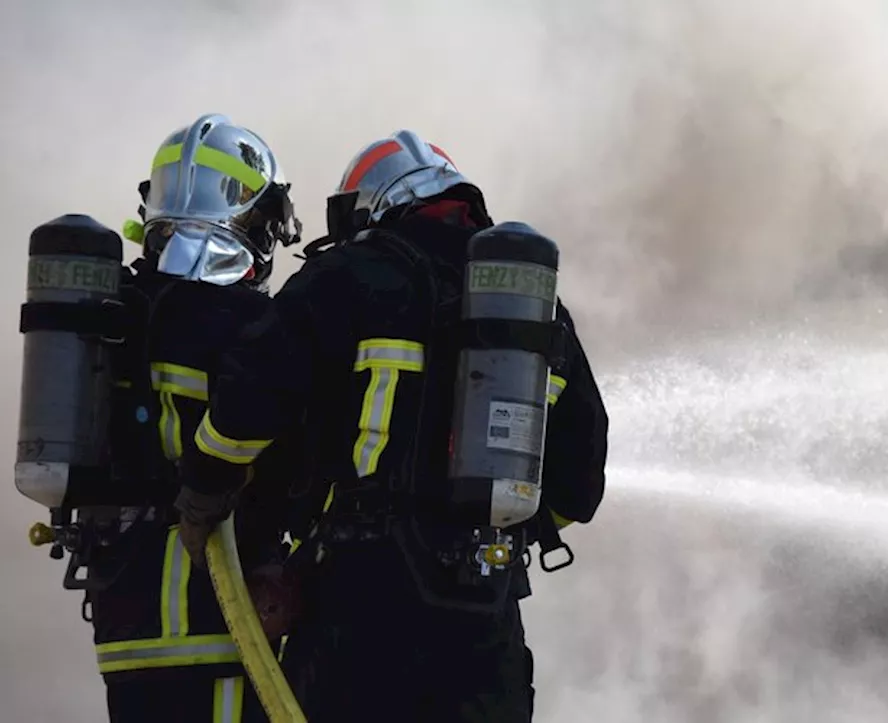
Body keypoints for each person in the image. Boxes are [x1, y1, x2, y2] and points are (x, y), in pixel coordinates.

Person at [173, 130, 609, 722]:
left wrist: (205, 484)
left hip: (363, 606)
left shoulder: (349, 275)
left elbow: (254, 391)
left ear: (370, 206)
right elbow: (579, 484)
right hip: (487, 614)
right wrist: (498, 527)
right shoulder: (535, 309)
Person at [91, 112, 301, 723]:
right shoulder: (244, 326)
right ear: (251, 215)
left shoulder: (116, 311)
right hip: (220, 622)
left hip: (126, 625)